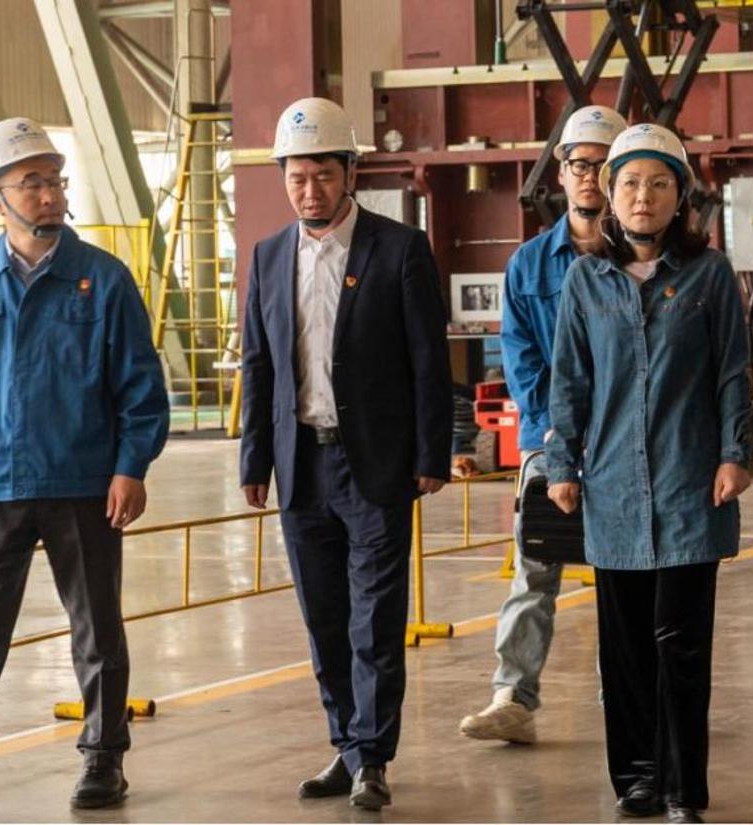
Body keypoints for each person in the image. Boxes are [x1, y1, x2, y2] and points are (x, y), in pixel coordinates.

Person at [0, 117, 170, 821]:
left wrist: (130, 466)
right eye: (32, 183)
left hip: (83, 483)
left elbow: (141, 385)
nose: (49, 195)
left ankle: (103, 760)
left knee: (96, 630)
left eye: (55, 181)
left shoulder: (102, 279)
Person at [237, 96, 452, 811]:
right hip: (301, 465)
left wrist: (432, 452)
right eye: (296, 177)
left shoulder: (398, 250)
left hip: (375, 466)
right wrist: (254, 461)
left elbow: (428, 360)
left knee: (375, 620)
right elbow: (259, 366)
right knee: (324, 617)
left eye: (323, 175)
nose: (310, 190)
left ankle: (373, 756)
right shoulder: (269, 257)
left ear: (350, 173)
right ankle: (346, 745)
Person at [547, 123, 751, 825]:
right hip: (612, 488)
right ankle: (636, 778)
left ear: (679, 197)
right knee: (626, 647)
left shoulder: (708, 274)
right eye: (630, 182)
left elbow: (731, 371)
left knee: (682, 645)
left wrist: (734, 452)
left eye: (659, 183)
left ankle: (683, 788)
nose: (644, 196)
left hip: (690, 484)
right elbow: (568, 379)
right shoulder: (585, 279)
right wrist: (561, 464)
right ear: (609, 194)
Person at [459, 104, 628, 744]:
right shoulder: (529, 265)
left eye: (603, 166)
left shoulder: (641, 257)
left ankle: (629, 694)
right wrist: (558, 434)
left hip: (625, 443)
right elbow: (522, 358)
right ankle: (513, 697)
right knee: (534, 568)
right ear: (561, 172)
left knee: (626, 578)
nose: (589, 176)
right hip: (551, 443)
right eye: (579, 164)